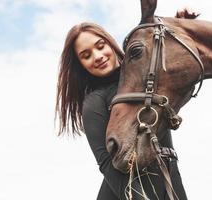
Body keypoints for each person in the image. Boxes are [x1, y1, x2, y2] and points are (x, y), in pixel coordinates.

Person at [55, 7, 198, 200]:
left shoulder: (142, 80)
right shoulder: (94, 102)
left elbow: (163, 58)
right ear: (80, 65)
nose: (98, 56)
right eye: (86, 55)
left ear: (110, 44)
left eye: (100, 45)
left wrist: (180, 24)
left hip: (169, 177)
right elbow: (107, 164)